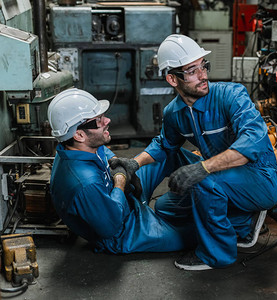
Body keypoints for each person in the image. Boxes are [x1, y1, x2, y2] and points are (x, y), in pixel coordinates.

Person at [115, 34, 277, 270]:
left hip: (262, 178)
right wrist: (134, 163)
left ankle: (216, 255)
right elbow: (164, 145)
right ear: (172, 79)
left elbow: (250, 145)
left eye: (203, 66)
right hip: (224, 178)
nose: (203, 75)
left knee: (205, 181)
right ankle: (239, 222)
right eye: (192, 71)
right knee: (165, 207)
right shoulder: (174, 113)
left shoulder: (232, 95)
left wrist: (203, 168)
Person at [47, 88, 195, 254]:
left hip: (124, 193)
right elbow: (111, 226)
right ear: (79, 135)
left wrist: (119, 165)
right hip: (124, 230)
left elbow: (105, 153)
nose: (107, 120)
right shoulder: (84, 183)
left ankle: (217, 180)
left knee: (165, 154)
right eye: (98, 120)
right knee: (196, 234)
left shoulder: (77, 147)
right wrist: (120, 180)